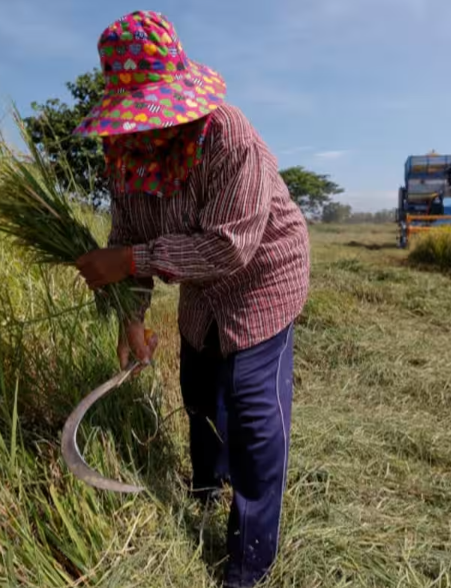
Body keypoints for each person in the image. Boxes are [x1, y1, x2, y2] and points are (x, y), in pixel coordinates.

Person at [72, 10, 310, 587]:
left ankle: (249, 561)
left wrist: (130, 262)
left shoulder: (226, 134)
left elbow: (231, 248)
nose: (144, 130)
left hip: (262, 279)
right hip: (201, 290)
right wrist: (132, 320)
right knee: (200, 390)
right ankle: (206, 485)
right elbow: (126, 235)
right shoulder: (123, 154)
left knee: (255, 418)